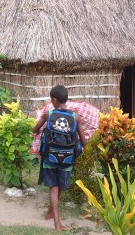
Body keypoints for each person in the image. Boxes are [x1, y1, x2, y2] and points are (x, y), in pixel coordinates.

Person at [32, 85, 87, 232]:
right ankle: (53, 215)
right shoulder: (75, 117)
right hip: (67, 159)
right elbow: (84, 141)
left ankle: (57, 222)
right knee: (59, 187)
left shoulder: (48, 114)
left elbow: (35, 130)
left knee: (53, 189)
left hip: (50, 158)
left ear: (54, 100)